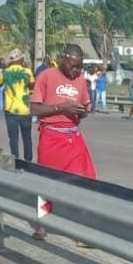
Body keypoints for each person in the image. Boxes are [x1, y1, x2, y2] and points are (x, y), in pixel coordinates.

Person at [31, 44, 95, 240]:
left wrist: (81, 112)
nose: (77, 71)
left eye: (79, 67)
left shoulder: (81, 81)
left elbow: (85, 108)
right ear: (63, 59)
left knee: (85, 180)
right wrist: (61, 107)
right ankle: (42, 224)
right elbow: (34, 109)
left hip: (73, 138)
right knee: (47, 183)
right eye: (74, 66)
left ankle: (81, 227)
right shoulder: (46, 77)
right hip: (51, 136)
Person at [0, 50, 34, 163]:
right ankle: (28, 160)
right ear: (21, 59)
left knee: (13, 138)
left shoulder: (4, 72)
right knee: (27, 137)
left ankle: (15, 160)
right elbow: (32, 85)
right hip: (25, 110)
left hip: (11, 110)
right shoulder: (27, 72)